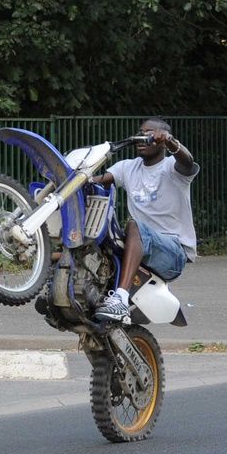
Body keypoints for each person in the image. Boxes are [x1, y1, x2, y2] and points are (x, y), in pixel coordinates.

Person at [88, 117, 199, 322]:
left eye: (149, 134)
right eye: (141, 132)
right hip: (143, 245)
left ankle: (120, 298)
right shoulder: (127, 167)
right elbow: (97, 181)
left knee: (133, 225)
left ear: (161, 140)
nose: (142, 137)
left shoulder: (172, 168)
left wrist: (170, 141)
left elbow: (187, 161)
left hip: (174, 253)